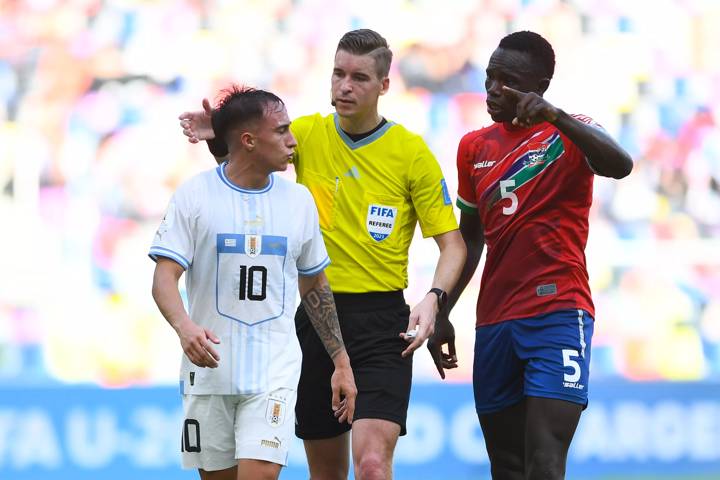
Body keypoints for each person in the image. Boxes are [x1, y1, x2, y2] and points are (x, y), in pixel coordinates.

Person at [179, 29, 466, 480]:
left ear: (384, 86)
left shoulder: (411, 153)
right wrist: (219, 131)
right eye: (338, 73)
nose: (345, 86)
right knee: (326, 474)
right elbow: (247, 154)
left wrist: (434, 297)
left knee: (372, 465)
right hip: (316, 320)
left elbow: (454, 245)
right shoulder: (306, 134)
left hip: (382, 323)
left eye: (359, 77)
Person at [442, 31, 633, 479]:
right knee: (506, 467)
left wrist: (557, 117)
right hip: (494, 321)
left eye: (505, 80)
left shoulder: (570, 131)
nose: (491, 89)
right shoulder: (473, 147)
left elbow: (620, 165)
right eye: (489, 78)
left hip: (557, 313)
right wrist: (444, 309)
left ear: (538, 85)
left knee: (545, 462)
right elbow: (472, 239)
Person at [151, 86, 357, 480]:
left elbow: (315, 287)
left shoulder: (298, 202)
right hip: (210, 370)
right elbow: (164, 278)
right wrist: (185, 328)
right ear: (248, 140)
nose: (292, 140)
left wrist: (341, 362)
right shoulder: (194, 196)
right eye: (281, 131)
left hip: (273, 372)